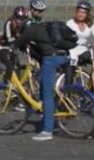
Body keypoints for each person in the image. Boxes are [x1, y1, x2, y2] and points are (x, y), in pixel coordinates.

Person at [14, 11, 69, 141]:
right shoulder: (43, 26)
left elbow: (18, 43)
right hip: (63, 56)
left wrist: (8, 47)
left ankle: (47, 131)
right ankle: (46, 115)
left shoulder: (31, 29)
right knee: (44, 84)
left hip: (50, 59)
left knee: (47, 94)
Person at [65, 1, 94, 84]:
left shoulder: (90, 24)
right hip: (72, 49)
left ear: (87, 14)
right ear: (76, 12)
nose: (81, 14)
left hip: (83, 50)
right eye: (79, 12)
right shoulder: (70, 23)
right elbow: (64, 36)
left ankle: (93, 85)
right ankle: (67, 89)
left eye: (84, 12)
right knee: (70, 66)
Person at [0, 6, 28, 80]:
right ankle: (4, 84)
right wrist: (19, 38)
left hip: (13, 49)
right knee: (10, 68)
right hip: (4, 48)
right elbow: (9, 39)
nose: (20, 21)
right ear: (15, 17)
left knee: (18, 68)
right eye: (19, 19)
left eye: (23, 19)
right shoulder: (9, 23)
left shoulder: (24, 25)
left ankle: (17, 86)